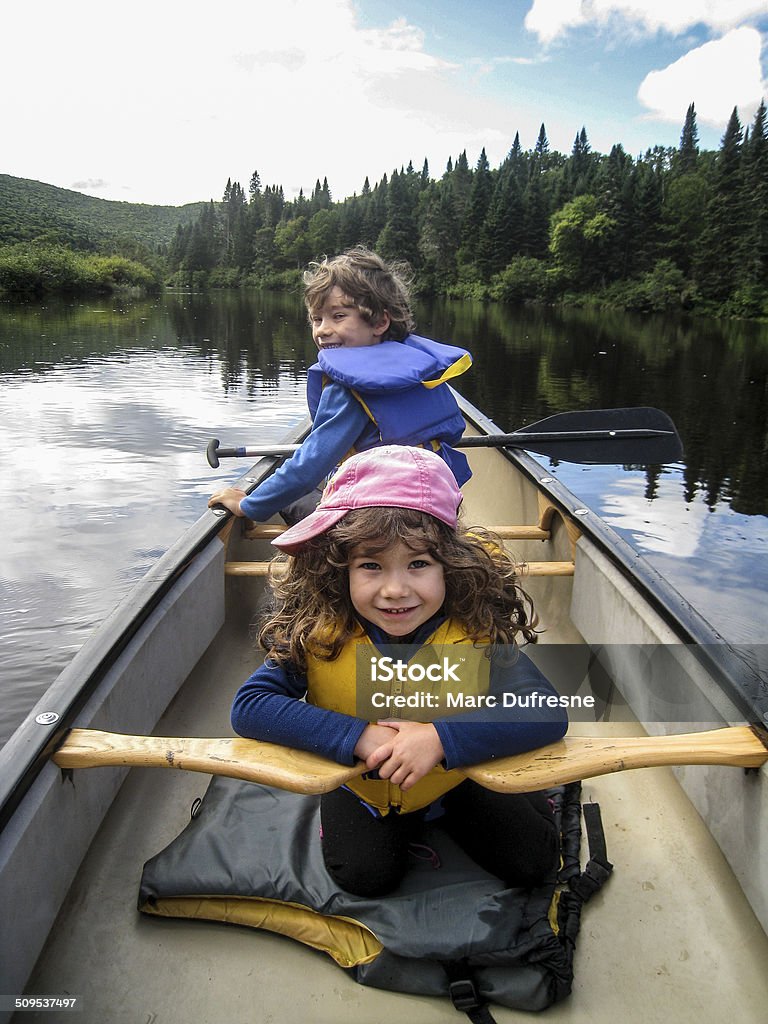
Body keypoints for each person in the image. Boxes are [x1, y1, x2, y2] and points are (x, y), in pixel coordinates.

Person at [230, 445, 568, 898]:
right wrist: (357, 738)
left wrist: (440, 741)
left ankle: (455, 801)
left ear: (451, 566)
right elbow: (251, 706)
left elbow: (544, 709)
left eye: (419, 564)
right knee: (364, 878)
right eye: (370, 565)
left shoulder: (474, 629)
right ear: (339, 568)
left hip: (457, 777)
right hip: (364, 786)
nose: (395, 590)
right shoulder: (319, 631)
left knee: (535, 862)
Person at [208, 247, 472, 525]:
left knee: (297, 494)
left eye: (338, 316)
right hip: (433, 509)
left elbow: (306, 469)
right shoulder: (420, 373)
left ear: (380, 321)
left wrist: (249, 504)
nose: (322, 329)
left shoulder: (347, 388)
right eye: (317, 318)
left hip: (369, 523)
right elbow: (451, 436)